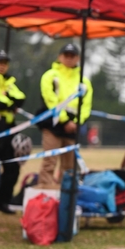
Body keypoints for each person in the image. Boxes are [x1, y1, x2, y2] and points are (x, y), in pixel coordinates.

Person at [38, 43, 93, 186]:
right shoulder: (50, 76)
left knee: (69, 166)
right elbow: (50, 100)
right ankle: (45, 193)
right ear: (59, 57)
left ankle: (65, 194)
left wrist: (77, 122)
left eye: (72, 56)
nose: (69, 58)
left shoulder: (84, 82)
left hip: (72, 127)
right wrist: (64, 121)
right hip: (53, 124)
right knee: (49, 162)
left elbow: (86, 106)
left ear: (78, 58)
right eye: (66, 55)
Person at [0, 50, 26, 215]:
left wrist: (7, 100)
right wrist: (9, 103)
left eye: (5, 62)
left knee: (12, 165)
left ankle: (3, 201)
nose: (2, 65)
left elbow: (21, 98)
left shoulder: (8, 81)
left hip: (8, 127)